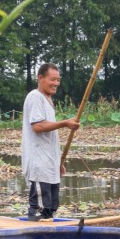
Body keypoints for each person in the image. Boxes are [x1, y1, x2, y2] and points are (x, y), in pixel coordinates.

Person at [22, 63, 79, 221]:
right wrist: (65, 123)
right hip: (39, 165)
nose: (56, 83)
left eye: (58, 80)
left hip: (49, 164)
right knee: (41, 209)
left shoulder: (48, 100)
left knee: (51, 207)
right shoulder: (35, 97)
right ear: (40, 78)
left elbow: (48, 136)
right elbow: (38, 126)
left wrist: (57, 162)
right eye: (52, 79)